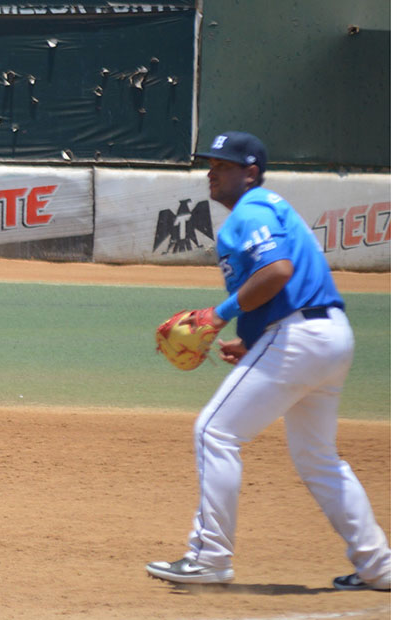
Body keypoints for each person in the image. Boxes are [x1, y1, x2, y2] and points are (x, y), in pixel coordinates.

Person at [145, 131, 391, 590]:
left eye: (223, 165)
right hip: (329, 335)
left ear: (251, 172)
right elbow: (283, 283)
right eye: (211, 165)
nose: (212, 173)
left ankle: (209, 557)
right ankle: (380, 567)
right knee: (318, 458)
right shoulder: (271, 208)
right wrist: (251, 340)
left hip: (298, 338)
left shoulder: (252, 209)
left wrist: (219, 315)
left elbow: (277, 271)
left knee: (215, 432)